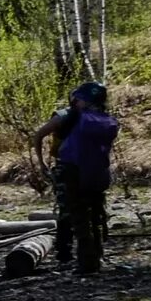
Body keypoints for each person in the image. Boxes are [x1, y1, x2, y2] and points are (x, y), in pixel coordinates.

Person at [33, 80, 118, 275]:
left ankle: (84, 263)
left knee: (78, 216)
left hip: (71, 169)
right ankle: (97, 259)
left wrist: (41, 163)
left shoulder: (67, 116)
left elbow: (39, 135)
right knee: (96, 215)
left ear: (79, 99)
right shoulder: (106, 119)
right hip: (98, 171)